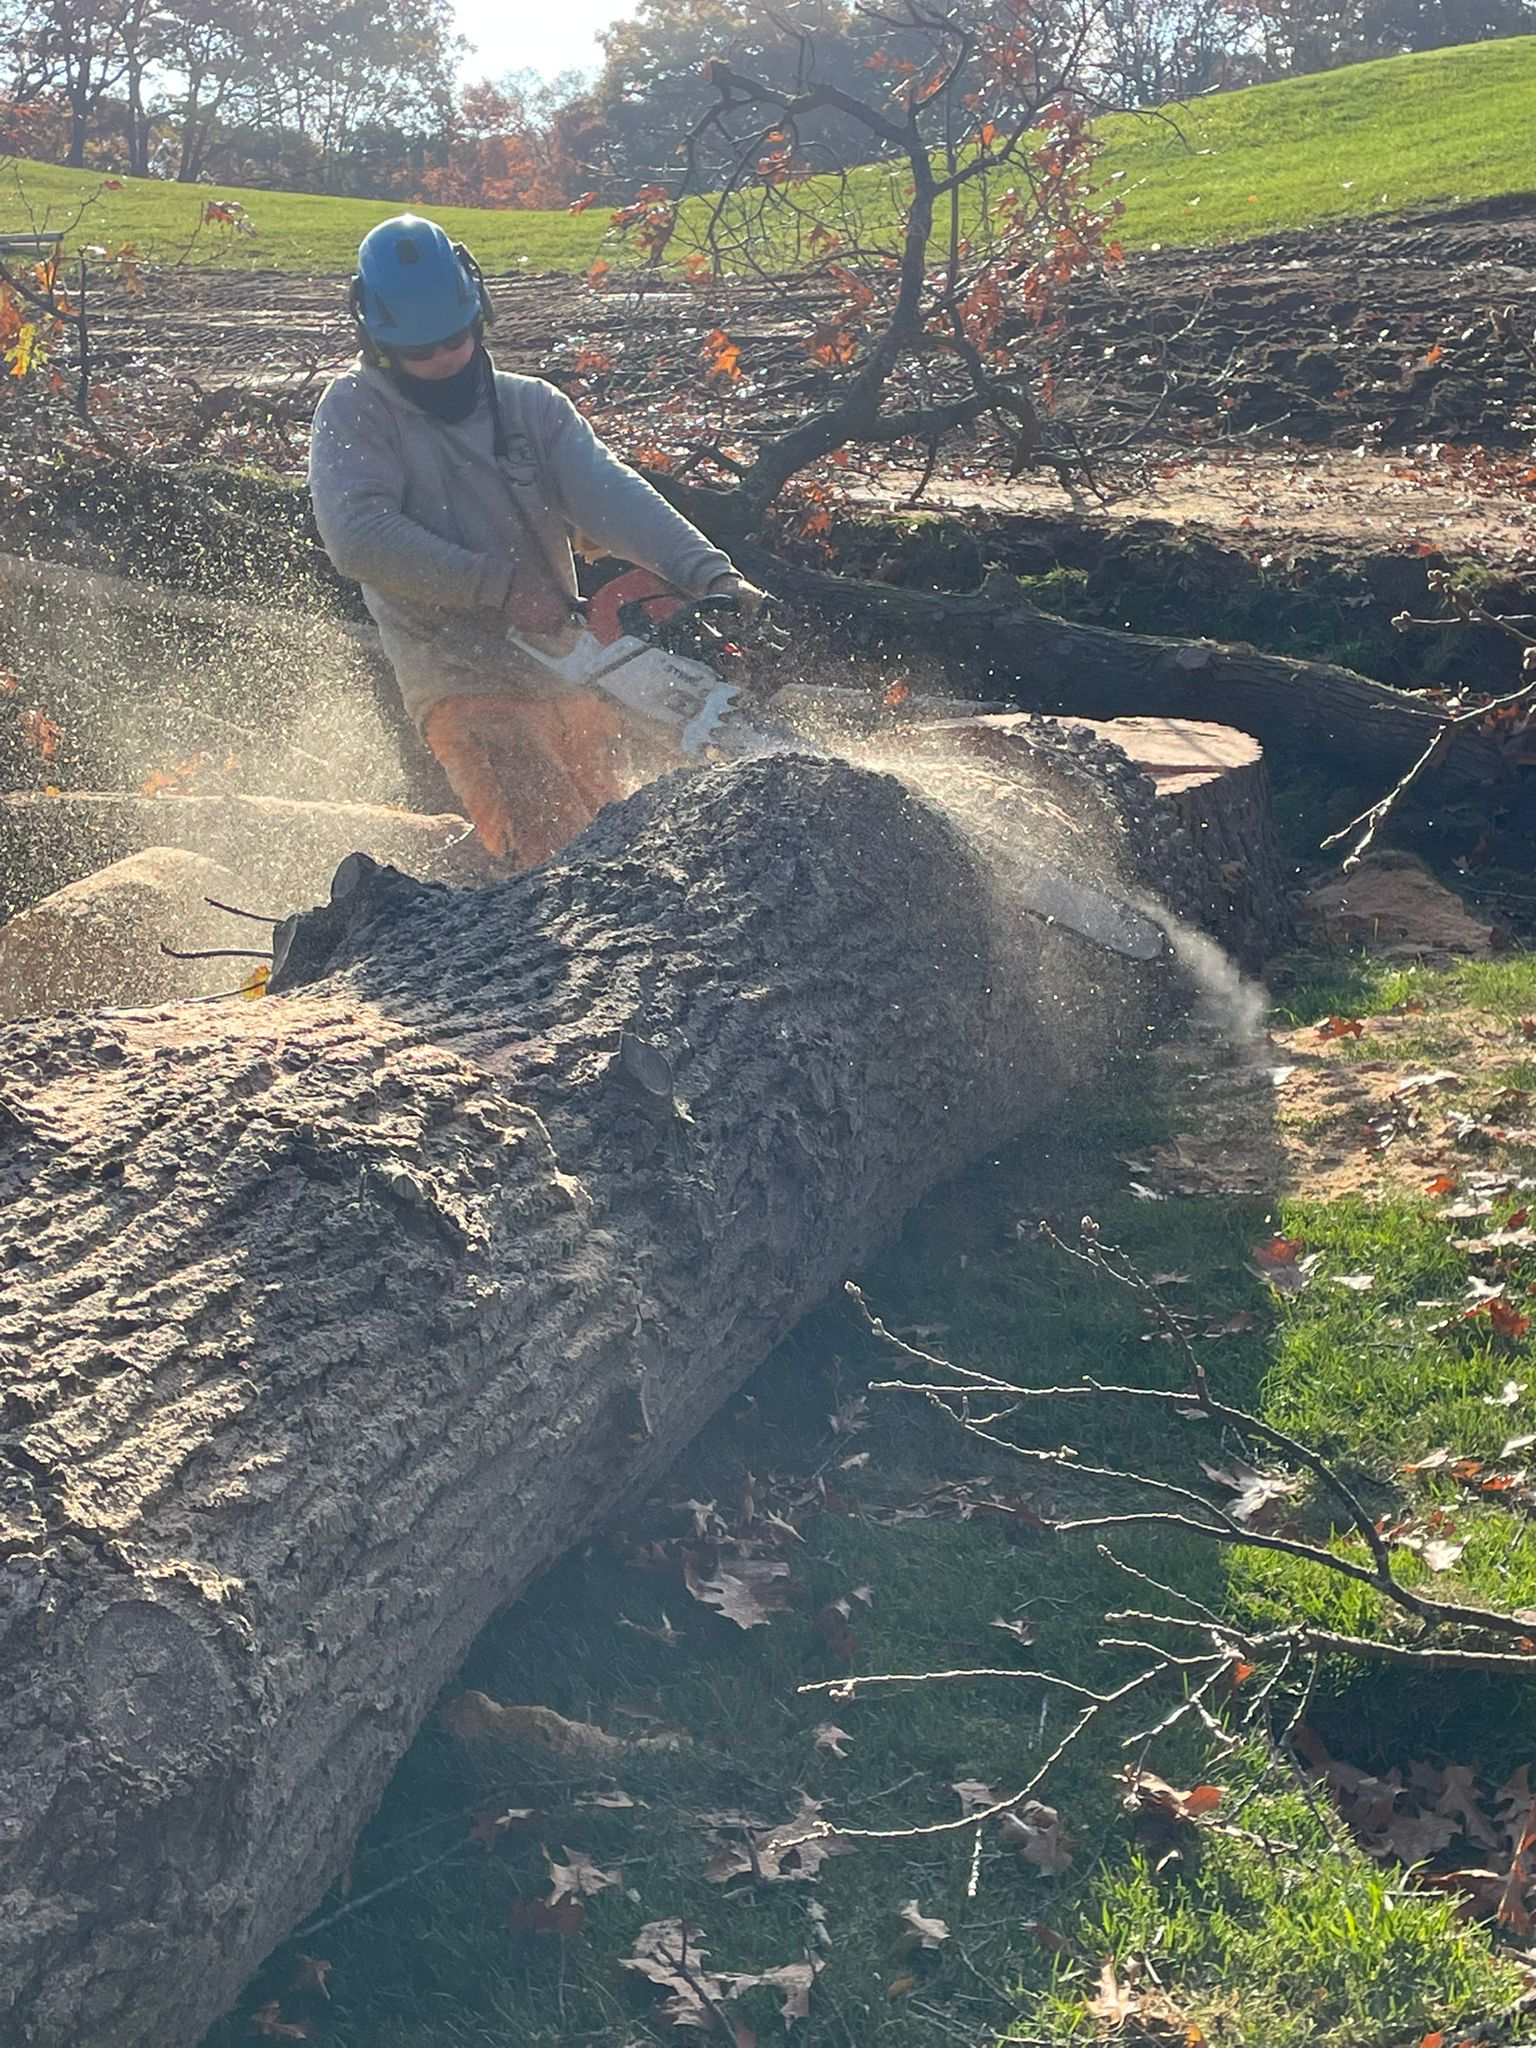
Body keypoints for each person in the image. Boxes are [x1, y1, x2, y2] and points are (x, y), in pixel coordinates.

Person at [309, 213, 766, 865]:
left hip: (571, 669)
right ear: (377, 340)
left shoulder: (531, 407)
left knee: (625, 853)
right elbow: (357, 536)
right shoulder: (357, 411)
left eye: (454, 341)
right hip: (463, 680)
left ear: (479, 315)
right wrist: (496, 588)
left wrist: (710, 575)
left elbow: (613, 497)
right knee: (555, 857)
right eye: (420, 352)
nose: (441, 361)